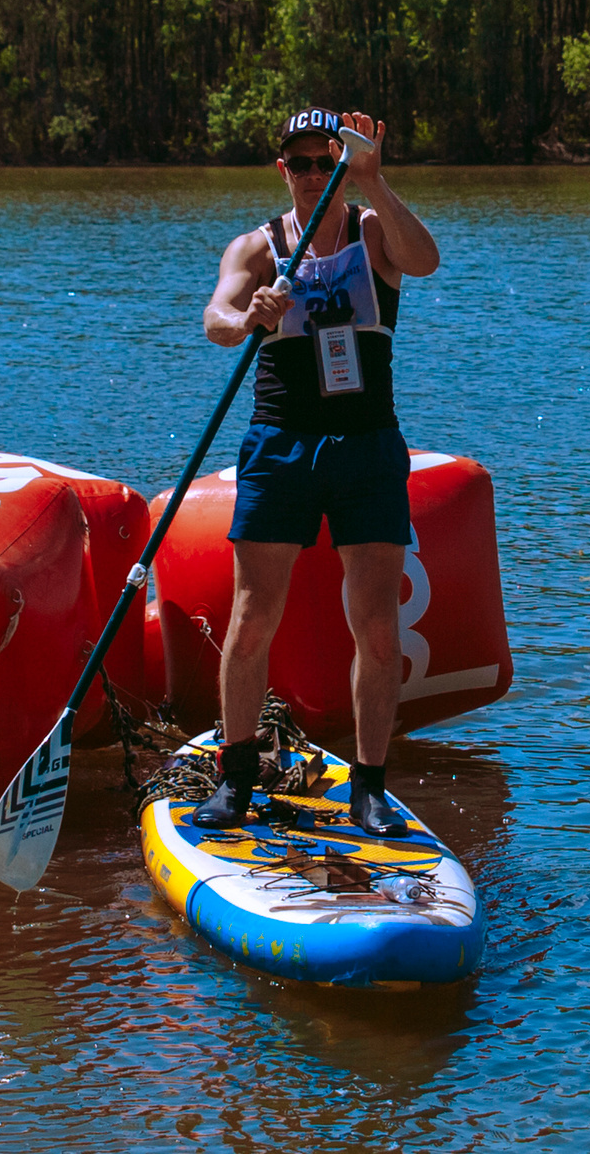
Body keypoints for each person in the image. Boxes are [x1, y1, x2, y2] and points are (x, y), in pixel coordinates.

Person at [191, 107, 443, 835]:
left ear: (343, 165)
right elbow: (214, 317)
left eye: (326, 162)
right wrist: (249, 320)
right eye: (300, 164)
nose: (312, 177)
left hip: (365, 443)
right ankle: (235, 779)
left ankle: (368, 786)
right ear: (282, 170)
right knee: (252, 616)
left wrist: (374, 178)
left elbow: (424, 260)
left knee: (374, 622)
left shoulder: (371, 233)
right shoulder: (259, 248)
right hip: (282, 442)